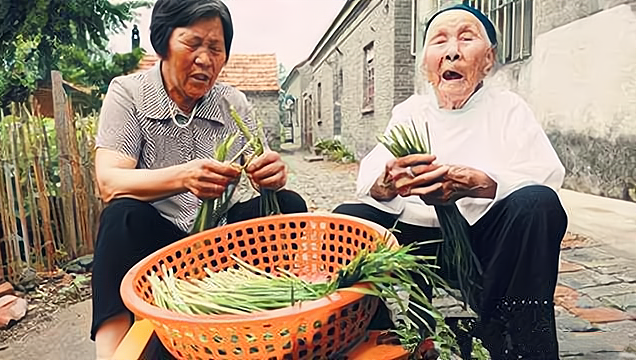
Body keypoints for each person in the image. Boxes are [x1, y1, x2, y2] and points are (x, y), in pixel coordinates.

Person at [335, 4, 567, 359]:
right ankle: (377, 334)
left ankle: (518, 338)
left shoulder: (508, 109)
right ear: (427, 62)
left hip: (483, 242)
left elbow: (545, 176)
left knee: (538, 204)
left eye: (466, 38)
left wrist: (480, 183)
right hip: (416, 240)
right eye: (439, 41)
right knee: (346, 219)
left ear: (487, 60)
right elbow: (372, 180)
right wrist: (390, 181)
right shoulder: (410, 111)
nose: (452, 51)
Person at [90, 0, 307, 358]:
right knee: (120, 215)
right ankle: (114, 350)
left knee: (289, 205)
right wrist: (184, 176)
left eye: (216, 48)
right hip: (159, 248)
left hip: (221, 242)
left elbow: (258, 163)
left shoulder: (233, 102)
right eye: (193, 44)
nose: (205, 59)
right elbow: (110, 182)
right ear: (163, 42)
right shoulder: (129, 93)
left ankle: (267, 323)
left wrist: (272, 174)